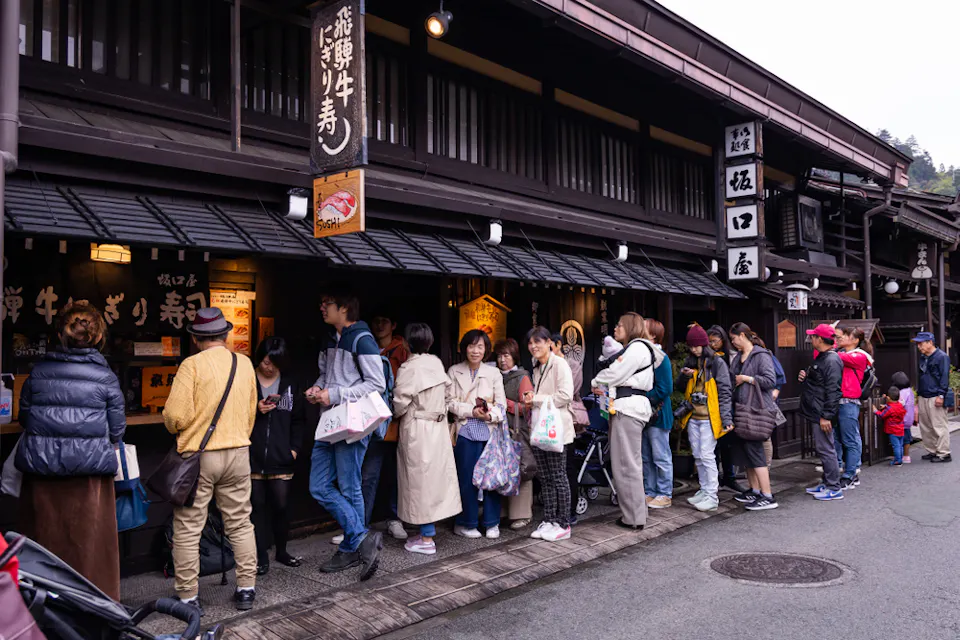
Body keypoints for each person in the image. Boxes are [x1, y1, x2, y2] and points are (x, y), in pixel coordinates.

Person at [16, 302, 125, 600]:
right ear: (98, 337)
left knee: (44, 543)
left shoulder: (38, 373)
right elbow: (117, 431)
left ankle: (43, 606)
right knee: (89, 549)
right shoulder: (106, 378)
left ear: (60, 334)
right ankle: (92, 606)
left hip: (42, 470)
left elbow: (26, 418)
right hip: (90, 477)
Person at [163, 307, 259, 611]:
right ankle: (246, 588)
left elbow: (176, 416)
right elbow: (250, 411)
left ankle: (189, 595)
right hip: (238, 451)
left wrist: (175, 426)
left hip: (200, 457)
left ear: (194, 338)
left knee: (190, 526)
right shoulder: (244, 364)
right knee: (241, 522)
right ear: (226, 334)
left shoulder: (191, 365)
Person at [306, 289, 385, 580]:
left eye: (326, 303)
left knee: (351, 487)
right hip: (329, 420)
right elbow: (326, 378)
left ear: (343, 308)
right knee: (318, 486)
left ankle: (352, 547)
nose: (322, 308)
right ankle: (362, 538)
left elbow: (375, 383)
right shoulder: (330, 338)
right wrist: (318, 389)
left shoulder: (363, 339)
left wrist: (334, 393)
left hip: (352, 423)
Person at [394, 324, 462, 555]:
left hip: (417, 428)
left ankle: (426, 538)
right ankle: (427, 532)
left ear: (406, 342)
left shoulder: (409, 368)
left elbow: (400, 403)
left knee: (419, 482)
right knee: (433, 481)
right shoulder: (436, 363)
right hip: (438, 427)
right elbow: (447, 395)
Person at [590, 313, 662, 530]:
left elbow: (616, 372)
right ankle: (636, 514)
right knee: (630, 463)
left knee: (625, 465)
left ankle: (633, 518)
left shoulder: (637, 347)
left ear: (630, 327)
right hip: (630, 408)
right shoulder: (639, 348)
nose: (616, 329)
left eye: (620, 325)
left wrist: (596, 381)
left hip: (627, 408)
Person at [249, 336, 306, 576]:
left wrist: (294, 449)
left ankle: (281, 550)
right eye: (263, 361)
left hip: (282, 455)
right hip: (252, 454)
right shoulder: (248, 380)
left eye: (272, 362)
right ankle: (261, 555)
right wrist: (256, 410)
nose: (267, 366)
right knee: (256, 506)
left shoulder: (290, 383)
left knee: (281, 506)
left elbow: (299, 420)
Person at [447, 329, 507, 539]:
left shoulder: (493, 373)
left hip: (489, 431)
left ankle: (492, 522)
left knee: (491, 477)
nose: (475, 351)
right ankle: (466, 522)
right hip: (464, 430)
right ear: (464, 348)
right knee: (466, 479)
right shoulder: (454, 371)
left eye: (480, 346)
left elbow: (502, 404)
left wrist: (490, 415)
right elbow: (448, 402)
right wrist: (470, 411)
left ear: (486, 350)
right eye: (471, 346)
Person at [360, 311, 411, 542]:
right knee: (367, 474)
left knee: (393, 472)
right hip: (368, 419)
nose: (380, 324)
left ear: (394, 324)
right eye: (377, 320)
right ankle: (359, 524)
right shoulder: (365, 346)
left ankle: (394, 518)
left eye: (384, 320)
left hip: (395, 420)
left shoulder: (402, 351)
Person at [524, 326, 575, 542]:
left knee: (558, 476)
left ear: (549, 344)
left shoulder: (559, 364)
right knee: (544, 477)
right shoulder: (537, 367)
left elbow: (565, 396)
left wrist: (534, 398)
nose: (534, 346)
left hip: (556, 430)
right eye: (530, 343)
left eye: (538, 342)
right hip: (540, 429)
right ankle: (549, 519)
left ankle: (563, 523)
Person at [675, 324, 733, 512]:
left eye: (696, 346)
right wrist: (684, 377)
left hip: (710, 417)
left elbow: (725, 391)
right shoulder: (690, 362)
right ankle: (704, 489)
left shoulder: (716, 363)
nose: (693, 350)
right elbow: (679, 388)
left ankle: (712, 495)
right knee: (698, 455)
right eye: (691, 346)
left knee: (707, 455)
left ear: (704, 345)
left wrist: (726, 419)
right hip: (693, 416)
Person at [727, 323, 779, 511]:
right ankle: (755, 490)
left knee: (756, 452)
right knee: (746, 452)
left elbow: (770, 380)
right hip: (741, 409)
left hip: (756, 409)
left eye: (733, 338)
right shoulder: (738, 357)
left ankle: (767, 495)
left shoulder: (761, 355)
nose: (732, 342)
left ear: (742, 335)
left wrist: (747, 379)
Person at [800, 324, 845, 501]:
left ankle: (834, 487)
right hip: (818, 409)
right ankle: (828, 483)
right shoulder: (824, 358)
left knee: (826, 449)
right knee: (824, 448)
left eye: (813, 336)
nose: (811, 339)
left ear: (819, 339)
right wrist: (806, 375)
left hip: (822, 412)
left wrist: (827, 415)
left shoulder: (831, 360)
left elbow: (834, 390)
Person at [495, 338, 535, 530]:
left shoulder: (522, 377)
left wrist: (506, 405)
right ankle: (504, 511)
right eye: (500, 355)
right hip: (501, 430)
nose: (503, 360)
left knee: (521, 469)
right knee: (504, 469)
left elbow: (528, 407)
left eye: (507, 355)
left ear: (514, 357)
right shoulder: (495, 376)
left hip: (518, 430)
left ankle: (522, 514)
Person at [551, 331, 589, 525]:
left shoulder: (572, 365)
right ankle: (554, 510)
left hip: (567, 420)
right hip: (548, 421)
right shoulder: (542, 365)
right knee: (552, 467)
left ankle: (569, 509)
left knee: (567, 466)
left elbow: (568, 391)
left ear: (558, 345)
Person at [707, 325, 747, 494]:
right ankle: (715, 479)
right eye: (709, 342)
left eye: (715, 341)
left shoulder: (732, 357)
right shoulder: (707, 358)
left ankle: (729, 477)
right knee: (713, 446)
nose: (712, 345)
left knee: (727, 444)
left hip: (728, 403)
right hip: (711, 404)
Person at [834, 326, 874, 489]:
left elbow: (835, 356)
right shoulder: (845, 354)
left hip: (849, 401)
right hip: (839, 400)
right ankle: (843, 471)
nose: (840, 338)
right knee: (838, 438)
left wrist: (831, 343)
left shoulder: (859, 356)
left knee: (850, 439)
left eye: (844, 336)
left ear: (855, 340)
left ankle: (851, 473)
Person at [642, 318, 674, 509]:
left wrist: (642, 396)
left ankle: (664, 493)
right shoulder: (642, 355)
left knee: (660, 455)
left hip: (658, 414)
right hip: (645, 414)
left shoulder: (660, 357)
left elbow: (665, 388)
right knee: (646, 456)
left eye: (644, 328)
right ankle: (650, 491)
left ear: (653, 334)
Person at [913, 331, 951, 463]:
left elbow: (944, 377)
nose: (919, 346)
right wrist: (918, 396)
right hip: (924, 394)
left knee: (938, 425)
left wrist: (941, 394)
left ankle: (944, 453)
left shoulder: (942, 357)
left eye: (921, 343)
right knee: (926, 426)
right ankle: (933, 450)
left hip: (935, 394)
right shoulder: (923, 357)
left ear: (930, 342)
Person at [875, 387, 907, 466]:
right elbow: (893, 407)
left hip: (892, 430)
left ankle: (897, 460)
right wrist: (886, 406)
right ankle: (900, 458)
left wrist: (875, 411)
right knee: (900, 445)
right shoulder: (900, 406)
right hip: (901, 429)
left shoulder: (890, 409)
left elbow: (882, 415)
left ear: (888, 398)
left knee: (895, 446)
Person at [891, 371, 916, 463]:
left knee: (900, 439)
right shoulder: (910, 391)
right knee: (907, 439)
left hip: (902, 419)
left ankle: (900, 456)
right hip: (909, 419)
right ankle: (906, 456)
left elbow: (900, 403)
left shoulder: (902, 392)